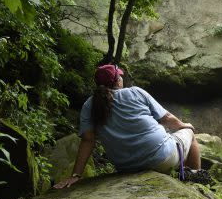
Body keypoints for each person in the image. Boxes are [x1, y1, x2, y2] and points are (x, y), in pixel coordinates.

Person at [54, 64, 201, 189]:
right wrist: (184, 125)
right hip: (161, 159)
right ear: (118, 81)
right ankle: (196, 183)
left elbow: (88, 140)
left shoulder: (89, 105)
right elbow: (167, 118)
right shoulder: (135, 92)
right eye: (120, 76)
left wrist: (76, 175)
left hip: (126, 166)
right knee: (189, 133)